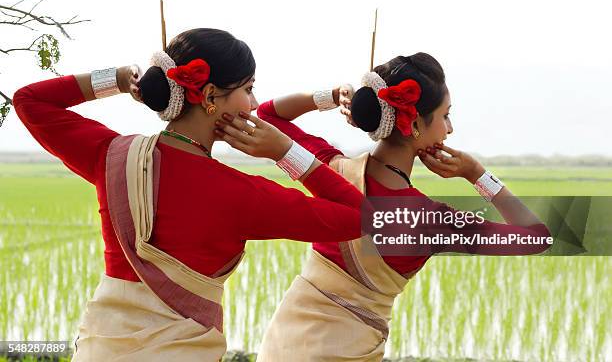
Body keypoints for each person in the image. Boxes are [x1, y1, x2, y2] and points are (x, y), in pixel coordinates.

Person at [13, 28, 366, 361]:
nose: (254, 103)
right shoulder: (240, 194)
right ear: (211, 96)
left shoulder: (114, 156)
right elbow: (358, 216)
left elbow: (29, 100)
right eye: (248, 88)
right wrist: (284, 151)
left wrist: (118, 80)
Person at [247, 53, 552, 361]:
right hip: (348, 351)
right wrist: (476, 174)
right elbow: (537, 238)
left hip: (284, 343)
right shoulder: (429, 221)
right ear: (416, 123)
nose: (450, 129)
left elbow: (268, 115)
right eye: (446, 115)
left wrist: (331, 96)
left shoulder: (330, 168)